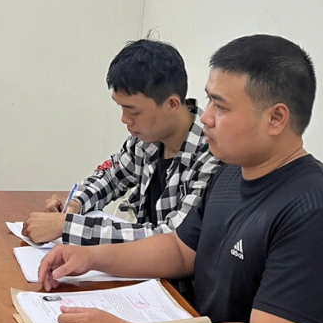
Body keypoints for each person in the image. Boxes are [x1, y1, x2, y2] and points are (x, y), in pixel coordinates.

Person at [38, 34, 323, 323]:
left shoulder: (318, 210)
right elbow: (180, 249)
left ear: (276, 119)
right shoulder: (230, 175)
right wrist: (89, 257)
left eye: (221, 107)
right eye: (208, 101)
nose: (205, 117)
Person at [21, 39, 222, 247]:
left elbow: (172, 238)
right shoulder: (146, 140)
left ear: (171, 104)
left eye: (133, 111)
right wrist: (75, 204)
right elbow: (111, 177)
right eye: (121, 108)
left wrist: (68, 227)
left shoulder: (212, 154)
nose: (124, 119)